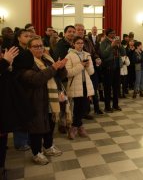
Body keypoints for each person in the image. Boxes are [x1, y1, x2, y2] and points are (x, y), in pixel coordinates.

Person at [20, 36, 68, 165]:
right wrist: (54, 68)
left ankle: (48, 146)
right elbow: (36, 79)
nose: (40, 48)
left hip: (51, 100)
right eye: (36, 46)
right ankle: (36, 153)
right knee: (36, 129)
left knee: (50, 125)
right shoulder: (26, 63)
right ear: (29, 48)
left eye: (41, 45)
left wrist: (61, 67)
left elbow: (61, 77)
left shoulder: (47, 60)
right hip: (36, 101)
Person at [65, 36, 95, 139]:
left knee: (85, 107)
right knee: (78, 107)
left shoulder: (87, 54)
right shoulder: (69, 56)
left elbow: (91, 72)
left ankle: (77, 126)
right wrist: (81, 65)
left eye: (81, 43)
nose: (80, 45)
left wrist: (88, 66)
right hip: (75, 84)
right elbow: (68, 73)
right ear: (73, 44)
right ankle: (76, 127)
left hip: (86, 84)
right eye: (78, 43)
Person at [0, 46, 21, 178]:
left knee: (2, 139)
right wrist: (5, 63)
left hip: (3, 107)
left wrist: (9, 67)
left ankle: (1, 166)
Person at [100, 28, 126, 112]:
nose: (113, 34)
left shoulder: (117, 41)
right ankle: (107, 107)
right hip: (108, 67)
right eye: (111, 33)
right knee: (107, 88)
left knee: (116, 87)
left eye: (114, 33)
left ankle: (115, 105)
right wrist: (111, 46)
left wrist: (120, 45)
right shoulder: (104, 42)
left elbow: (123, 53)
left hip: (117, 67)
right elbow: (103, 55)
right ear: (107, 34)